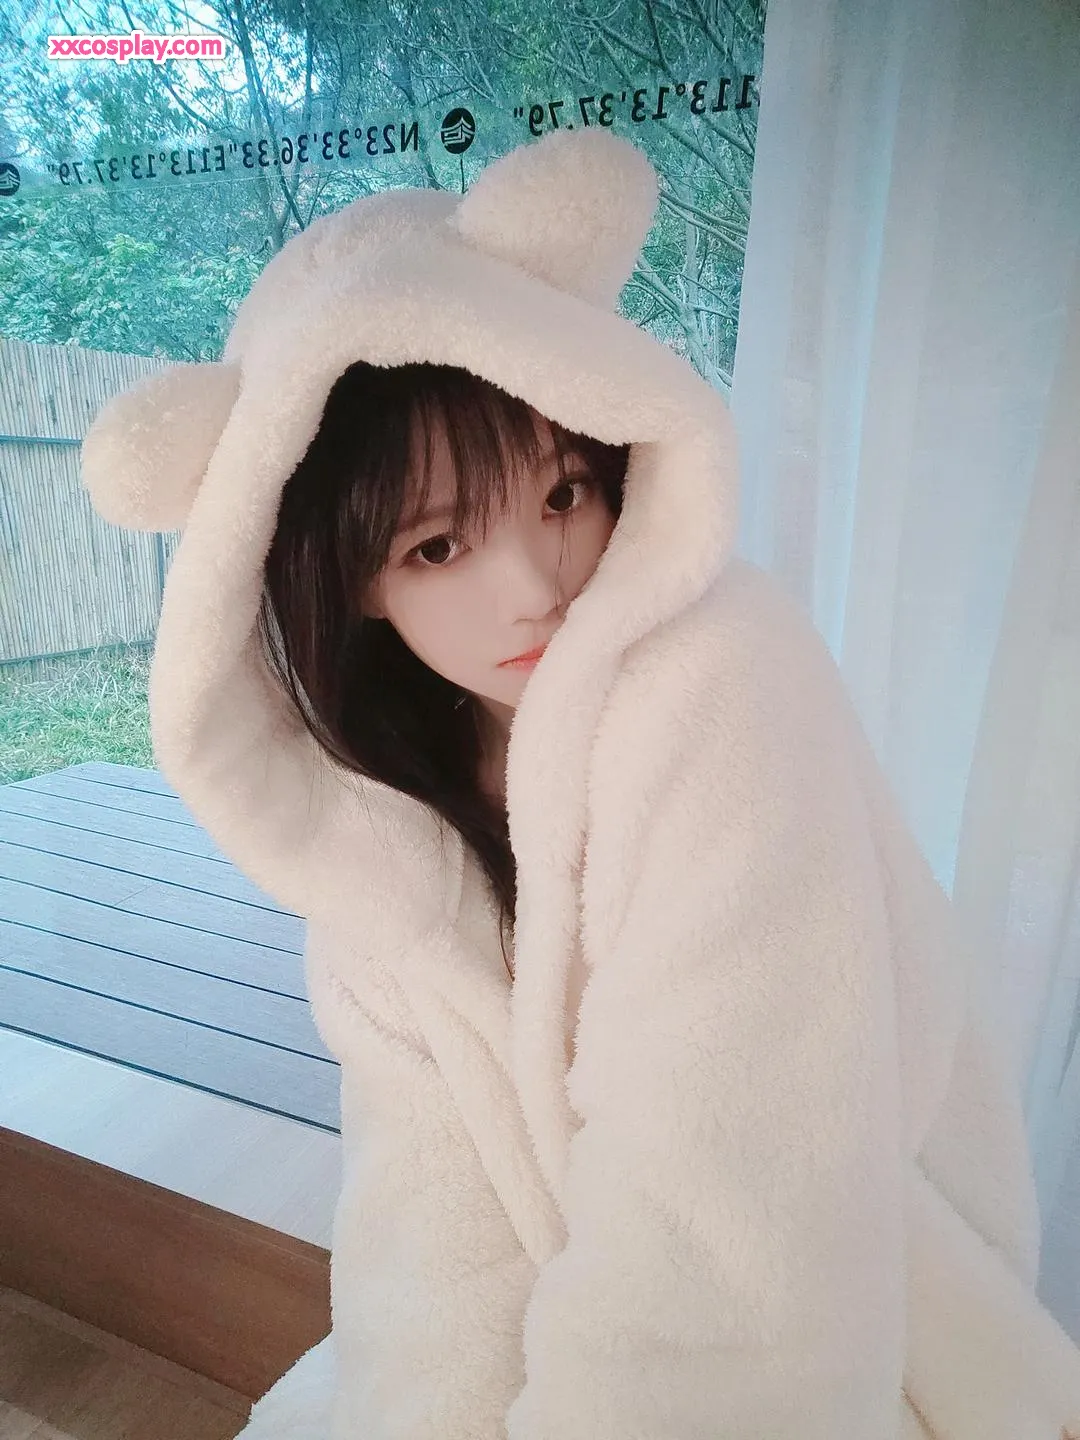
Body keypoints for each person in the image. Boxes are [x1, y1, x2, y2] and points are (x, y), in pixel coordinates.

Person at [81, 128, 1080, 1440]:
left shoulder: (724, 681)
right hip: (584, 1298)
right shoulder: (376, 824)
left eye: (562, 494)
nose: (534, 587)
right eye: (438, 546)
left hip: (837, 1321)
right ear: (354, 586)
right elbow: (430, 1231)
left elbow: (736, 1200)